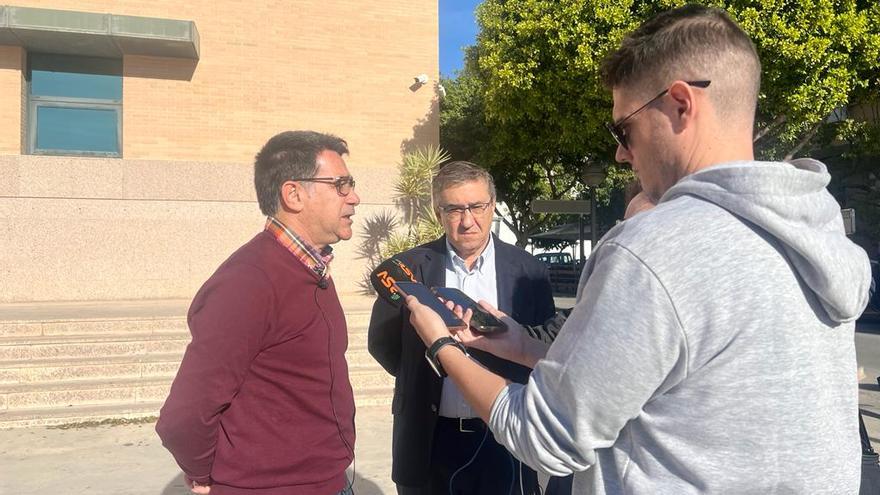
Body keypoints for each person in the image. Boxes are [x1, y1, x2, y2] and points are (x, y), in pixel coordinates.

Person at [404, 5, 873, 494]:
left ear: (680, 104)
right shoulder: (816, 230)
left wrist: (441, 343)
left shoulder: (656, 248)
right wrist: (525, 348)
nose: (621, 153)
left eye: (622, 128)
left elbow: (545, 436)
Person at [156, 130, 360, 495]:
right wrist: (206, 475)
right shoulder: (249, 282)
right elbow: (183, 417)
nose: (354, 198)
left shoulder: (310, 270)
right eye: (341, 185)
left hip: (327, 482)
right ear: (293, 194)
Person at [368, 161, 559, 494]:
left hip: (505, 439)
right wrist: (424, 375)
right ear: (438, 212)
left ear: (493, 205)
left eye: (477, 207)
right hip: (429, 439)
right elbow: (382, 344)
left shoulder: (529, 271)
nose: (467, 220)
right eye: (454, 209)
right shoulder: (408, 269)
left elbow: (543, 341)